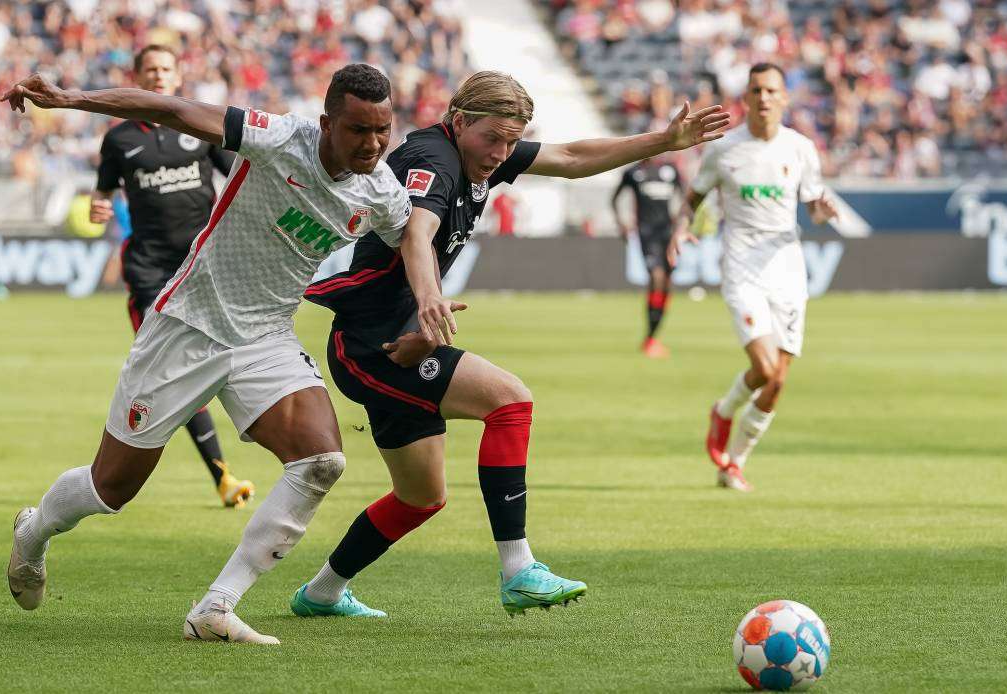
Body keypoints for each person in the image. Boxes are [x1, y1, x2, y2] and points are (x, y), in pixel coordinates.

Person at [0, 64, 417, 644]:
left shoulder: (381, 190)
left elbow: (416, 237)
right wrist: (73, 98)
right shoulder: (279, 137)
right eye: (358, 130)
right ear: (326, 124)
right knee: (109, 489)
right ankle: (34, 530)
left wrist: (429, 301)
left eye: (383, 131)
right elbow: (172, 108)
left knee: (321, 460)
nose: (373, 144)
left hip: (264, 335)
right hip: (187, 326)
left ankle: (216, 607)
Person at [296, 71, 730, 617]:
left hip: (403, 338)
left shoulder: (479, 152)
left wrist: (664, 141)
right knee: (511, 401)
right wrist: (429, 302)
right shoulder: (435, 160)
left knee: (420, 498)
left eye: (511, 140)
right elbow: (417, 234)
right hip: (372, 345)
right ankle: (519, 569)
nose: (501, 153)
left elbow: (571, 158)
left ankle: (321, 593)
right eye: (493, 139)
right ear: (459, 122)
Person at [90, 45, 253, 509]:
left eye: (166, 69)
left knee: (223, 357)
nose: (159, 76)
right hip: (147, 269)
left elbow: (240, 175)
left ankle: (239, 467)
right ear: (138, 77)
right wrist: (98, 206)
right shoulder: (119, 140)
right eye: (150, 70)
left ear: (177, 76)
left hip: (200, 266)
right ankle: (222, 476)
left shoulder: (201, 128)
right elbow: (100, 195)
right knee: (170, 368)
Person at [669, 63, 839, 492]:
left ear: (784, 98)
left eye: (771, 90)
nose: (763, 97)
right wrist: (681, 226)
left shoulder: (800, 149)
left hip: (787, 269)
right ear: (745, 98)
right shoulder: (724, 149)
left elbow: (814, 205)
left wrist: (823, 211)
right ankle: (724, 412)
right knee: (762, 367)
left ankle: (735, 463)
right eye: (756, 90)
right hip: (742, 268)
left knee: (777, 380)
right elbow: (693, 198)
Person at [611, 156, 689, 358]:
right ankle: (650, 339)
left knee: (666, 284)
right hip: (646, 233)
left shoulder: (670, 170)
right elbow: (614, 199)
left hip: (667, 234)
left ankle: (653, 337)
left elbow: (686, 198)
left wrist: (682, 224)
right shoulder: (633, 172)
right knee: (657, 277)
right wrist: (622, 223)